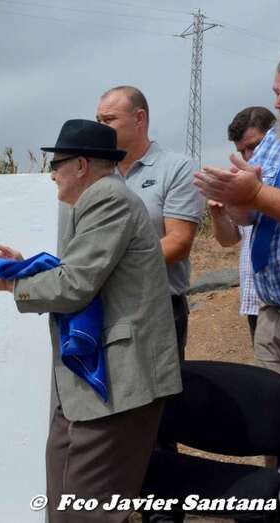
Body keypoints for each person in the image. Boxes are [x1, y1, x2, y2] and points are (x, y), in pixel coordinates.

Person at [0, 120, 182, 522]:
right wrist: (19, 269)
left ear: (80, 165)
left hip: (116, 383)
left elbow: (75, 284)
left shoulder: (107, 199)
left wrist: (7, 283)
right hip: (94, 384)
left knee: (86, 509)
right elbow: (86, 272)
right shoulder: (101, 199)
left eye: (57, 164)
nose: (51, 173)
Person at [195, 51, 280, 382]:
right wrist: (231, 200)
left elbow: (259, 197)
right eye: (276, 94)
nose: (279, 104)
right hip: (272, 316)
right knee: (275, 420)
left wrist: (253, 194)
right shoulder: (276, 142)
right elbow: (248, 221)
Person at [96, 86, 204, 360]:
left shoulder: (176, 168)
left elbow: (178, 243)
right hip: (103, 306)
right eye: (98, 121)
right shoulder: (97, 174)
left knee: (158, 401)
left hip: (157, 308)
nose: (101, 127)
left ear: (139, 118)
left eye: (109, 120)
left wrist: (106, 266)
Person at [209, 107, 275, 341]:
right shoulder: (238, 183)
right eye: (241, 151)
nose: (248, 156)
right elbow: (229, 240)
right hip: (258, 303)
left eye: (253, 146)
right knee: (268, 378)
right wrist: (217, 214)